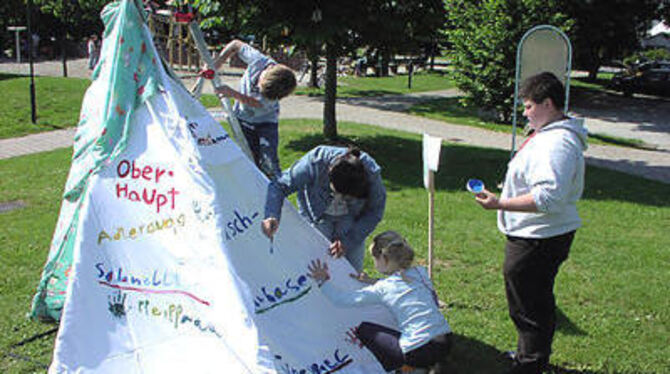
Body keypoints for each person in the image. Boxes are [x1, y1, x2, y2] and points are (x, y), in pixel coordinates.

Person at [474, 72, 587, 374]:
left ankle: (529, 365)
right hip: (537, 234)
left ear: (547, 104)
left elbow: (548, 198)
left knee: (530, 305)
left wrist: (500, 203)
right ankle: (530, 356)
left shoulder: (557, 144)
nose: (524, 113)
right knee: (531, 300)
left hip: (540, 237)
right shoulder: (550, 135)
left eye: (528, 106)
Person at [307, 230, 452, 373]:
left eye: (374, 259)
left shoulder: (383, 288)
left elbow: (342, 300)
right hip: (446, 342)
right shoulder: (421, 272)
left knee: (365, 330)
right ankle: (433, 364)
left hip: (418, 351)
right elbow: (414, 290)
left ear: (384, 259)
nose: (375, 263)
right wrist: (371, 281)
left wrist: (323, 281)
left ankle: (407, 368)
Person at [263, 145, 386, 272]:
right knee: (315, 267)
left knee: (353, 272)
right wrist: (272, 215)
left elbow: (375, 211)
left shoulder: (371, 172)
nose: (339, 198)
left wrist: (348, 242)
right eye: (336, 192)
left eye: (346, 196)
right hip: (317, 217)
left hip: (351, 219)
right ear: (329, 172)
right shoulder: (314, 162)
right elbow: (280, 186)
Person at [211, 39, 297, 178]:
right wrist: (217, 63)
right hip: (243, 118)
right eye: (260, 86)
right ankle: (254, 188)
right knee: (250, 158)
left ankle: (276, 187)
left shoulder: (272, 95)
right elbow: (235, 45)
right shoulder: (258, 60)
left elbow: (254, 102)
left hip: (266, 123)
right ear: (267, 71)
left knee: (269, 161)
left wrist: (232, 93)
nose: (258, 90)